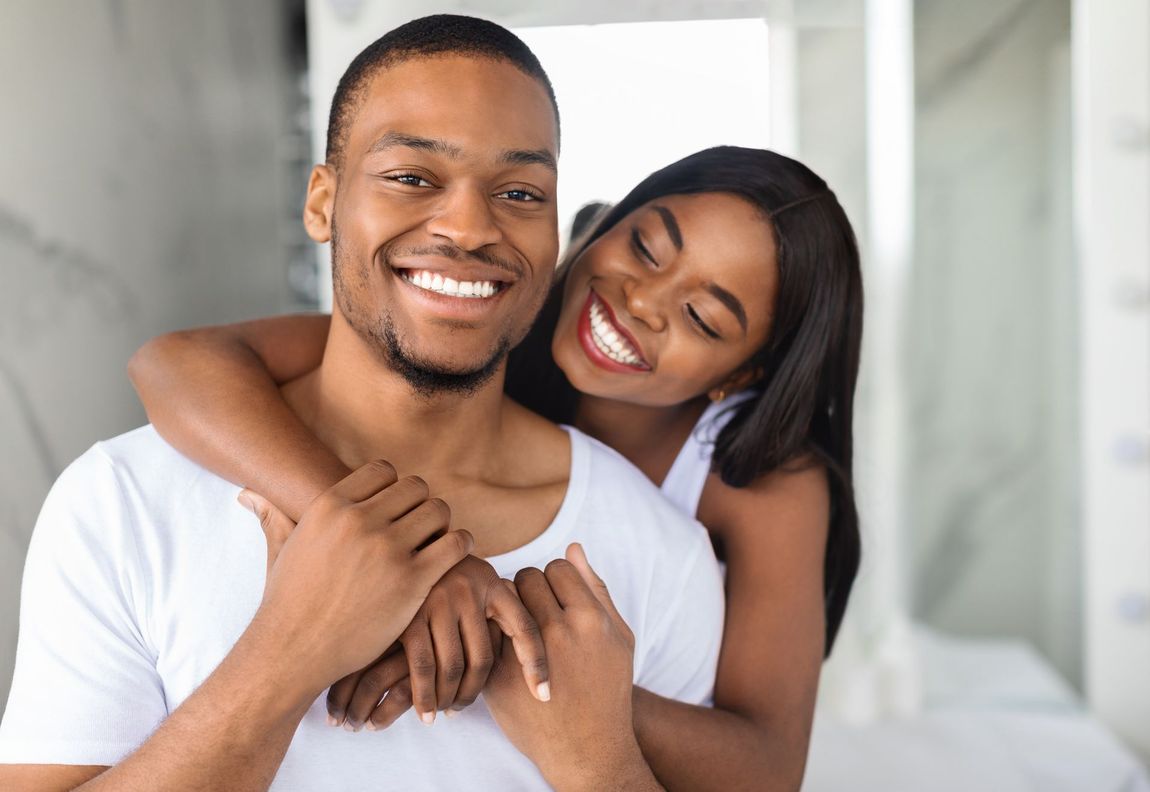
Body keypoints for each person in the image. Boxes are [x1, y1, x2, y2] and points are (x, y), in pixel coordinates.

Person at [0, 15, 725, 792]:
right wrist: (289, 651)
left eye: (519, 192)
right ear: (323, 203)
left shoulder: (660, 557)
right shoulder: (121, 502)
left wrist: (597, 762)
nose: (471, 227)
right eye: (413, 177)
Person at [125, 142, 864, 788]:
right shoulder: (487, 313)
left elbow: (767, 768)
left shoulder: (769, 478)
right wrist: (400, 560)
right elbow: (175, 364)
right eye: (644, 248)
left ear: (743, 374)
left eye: (704, 318)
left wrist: (529, 664)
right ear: (607, 221)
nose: (641, 301)